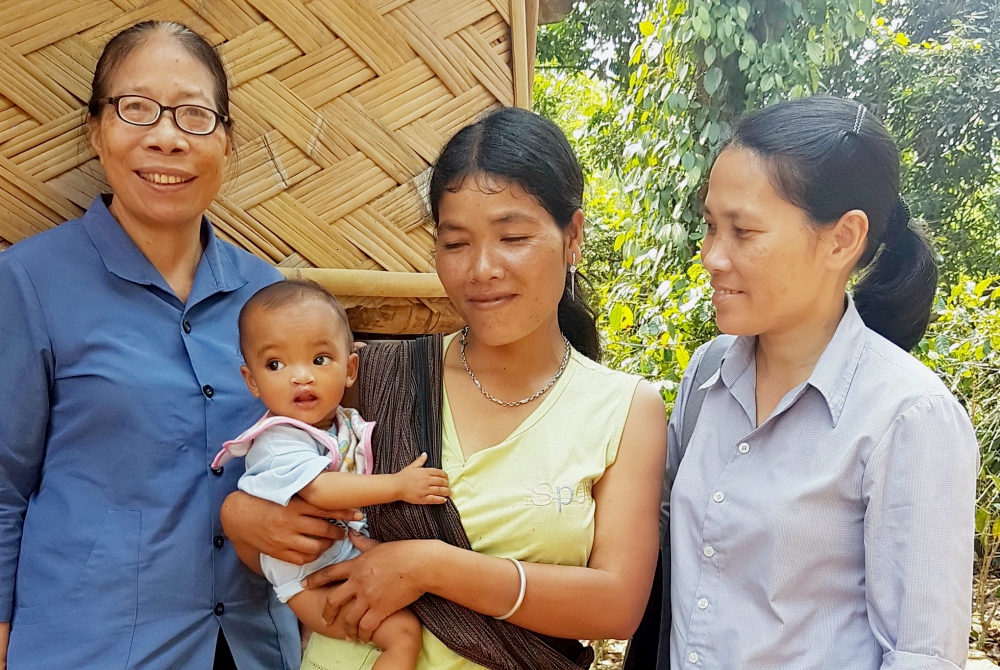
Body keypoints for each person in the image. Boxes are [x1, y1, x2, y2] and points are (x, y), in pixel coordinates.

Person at [220, 107, 669, 669]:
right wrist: (239, 515)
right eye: (456, 244)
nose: (482, 268)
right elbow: (277, 532)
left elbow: (616, 605)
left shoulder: (625, 409)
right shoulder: (376, 378)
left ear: (572, 236)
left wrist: (428, 566)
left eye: (513, 237)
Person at [0, 21, 344, 670]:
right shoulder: (28, 283)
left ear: (226, 139)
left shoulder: (270, 298)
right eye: (136, 109)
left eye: (193, 115)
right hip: (84, 649)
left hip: (250, 647)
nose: (166, 137)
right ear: (94, 131)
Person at [664, 96, 978, 669]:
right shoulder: (708, 374)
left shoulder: (908, 416)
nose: (711, 255)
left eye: (744, 231)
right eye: (711, 225)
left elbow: (921, 655)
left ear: (842, 239)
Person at [215, 280, 452, 670]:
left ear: (350, 369)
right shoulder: (277, 438)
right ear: (252, 380)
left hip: (340, 557)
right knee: (402, 634)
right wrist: (399, 485)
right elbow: (320, 489)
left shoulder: (342, 424)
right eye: (276, 364)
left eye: (320, 359)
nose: (301, 377)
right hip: (309, 579)